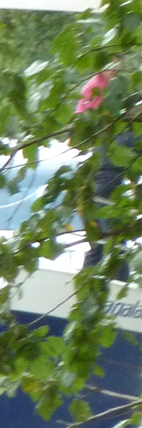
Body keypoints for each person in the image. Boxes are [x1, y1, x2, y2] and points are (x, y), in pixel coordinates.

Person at [75, 67, 139, 280]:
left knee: (101, 246)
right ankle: (113, 286)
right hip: (102, 197)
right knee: (114, 246)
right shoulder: (124, 138)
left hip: (94, 195)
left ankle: (89, 288)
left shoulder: (109, 142)